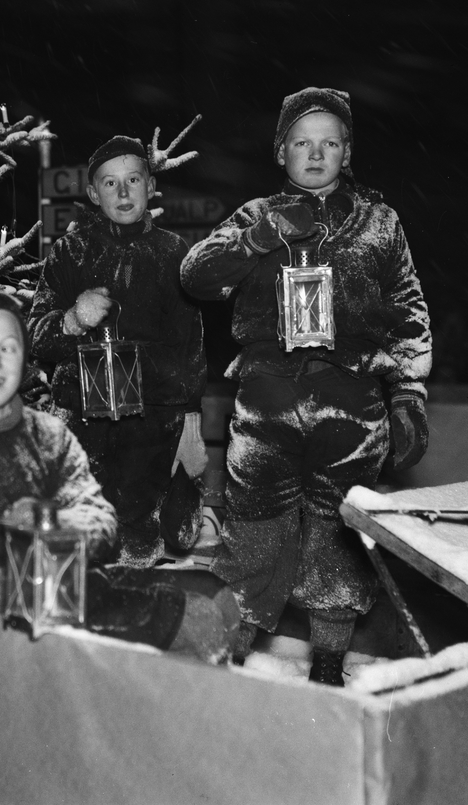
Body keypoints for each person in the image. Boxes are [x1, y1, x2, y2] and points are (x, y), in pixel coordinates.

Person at [180, 88, 431, 685]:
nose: (315, 154)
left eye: (329, 143)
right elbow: (195, 275)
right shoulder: (255, 215)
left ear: (347, 152)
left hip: (352, 407)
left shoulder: (379, 223)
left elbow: (408, 312)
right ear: (281, 152)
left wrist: (408, 396)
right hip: (267, 404)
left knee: (338, 541)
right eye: (301, 142)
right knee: (253, 535)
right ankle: (230, 660)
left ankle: (328, 666)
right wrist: (258, 238)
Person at [0, 291, 239, 662]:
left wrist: (56, 523)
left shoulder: (48, 437)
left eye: (7, 348)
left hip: (60, 584)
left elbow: (99, 518)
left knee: (209, 598)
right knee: (188, 624)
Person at [28, 135, 207, 566]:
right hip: (80, 421)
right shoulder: (70, 252)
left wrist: (190, 421)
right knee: (76, 537)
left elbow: (190, 347)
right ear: (94, 194)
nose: (123, 192)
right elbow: (36, 336)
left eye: (133, 180)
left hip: (149, 426)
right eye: (110, 183)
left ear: (150, 186)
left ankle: (136, 585)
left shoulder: (173, 253)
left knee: (138, 539)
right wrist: (73, 320)